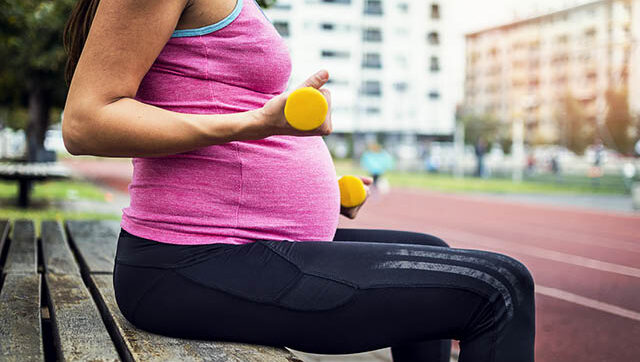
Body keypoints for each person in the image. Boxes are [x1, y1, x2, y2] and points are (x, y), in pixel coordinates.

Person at [62, 1, 535, 361]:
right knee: (500, 287)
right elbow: (86, 123)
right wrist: (256, 124)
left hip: (232, 246)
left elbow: (211, 100)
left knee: (433, 248)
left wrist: (322, 190)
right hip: (189, 263)